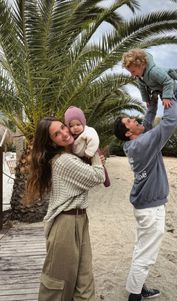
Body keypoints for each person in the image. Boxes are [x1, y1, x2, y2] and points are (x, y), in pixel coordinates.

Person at [26, 117, 105, 301]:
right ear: (51, 142)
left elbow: (92, 174)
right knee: (57, 286)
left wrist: (90, 157)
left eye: (63, 127)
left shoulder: (71, 158)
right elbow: (97, 176)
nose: (64, 133)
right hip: (65, 224)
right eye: (56, 134)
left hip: (80, 219)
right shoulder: (62, 161)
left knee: (84, 281)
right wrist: (92, 149)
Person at [114, 95, 177, 301]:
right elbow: (170, 121)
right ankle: (134, 297)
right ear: (128, 132)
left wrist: (152, 105)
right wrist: (170, 96)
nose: (135, 120)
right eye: (130, 121)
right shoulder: (143, 144)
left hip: (146, 206)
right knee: (146, 255)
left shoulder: (134, 144)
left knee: (141, 249)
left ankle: (138, 287)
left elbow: (148, 123)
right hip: (151, 209)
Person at [122, 48, 177, 115]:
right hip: (161, 89)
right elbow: (142, 88)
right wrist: (146, 100)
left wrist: (166, 97)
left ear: (142, 65)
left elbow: (168, 82)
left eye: (133, 71)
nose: (132, 74)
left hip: (170, 86)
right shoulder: (139, 76)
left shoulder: (154, 72)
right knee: (168, 98)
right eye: (130, 72)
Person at [64, 106, 110, 187]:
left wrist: (89, 152)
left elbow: (94, 140)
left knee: (101, 166)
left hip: (92, 151)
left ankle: (106, 182)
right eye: (71, 126)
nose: (75, 127)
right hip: (83, 155)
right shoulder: (71, 136)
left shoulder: (88, 130)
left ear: (83, 122)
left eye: (78, 124)